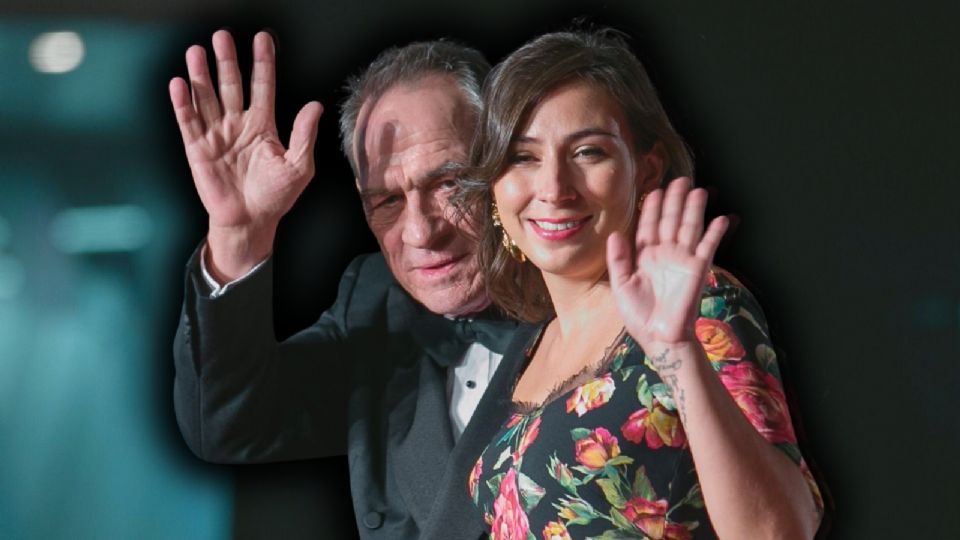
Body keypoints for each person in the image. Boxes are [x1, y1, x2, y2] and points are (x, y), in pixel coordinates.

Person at [457, 30, 824, 539]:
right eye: (523, 157)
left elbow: (778, 532)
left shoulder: (698, 305)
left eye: (588, 152)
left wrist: (677, 351)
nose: (554, 188)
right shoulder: (532, 347)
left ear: (646, 172)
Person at [168, 30, 526, 540]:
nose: (421, 232)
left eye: (449, 184)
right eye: (388, 202)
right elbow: (227, 425)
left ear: (505, 164)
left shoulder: (594, 304)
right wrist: (238, 234)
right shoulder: (376, 301)